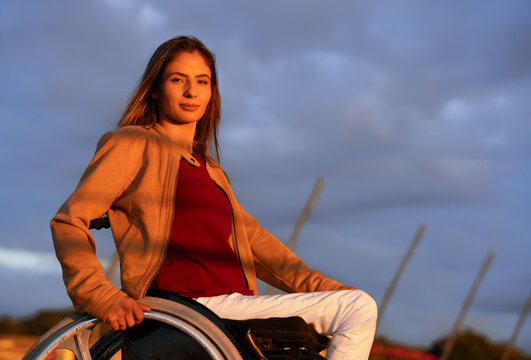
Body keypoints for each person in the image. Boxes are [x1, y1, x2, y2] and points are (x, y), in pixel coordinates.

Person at [51, 35, 377, 359]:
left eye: (202, 81)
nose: (191, 91)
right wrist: (100, 295)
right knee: (358, 309)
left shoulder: (210, 170)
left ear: (211, 92)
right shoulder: (131, 144)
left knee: (340, 312)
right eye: (178, 79)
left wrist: (325, 288)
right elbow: (70, 221)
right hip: (188, 308)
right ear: (154, 88)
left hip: (233, 307)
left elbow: (260, 247)